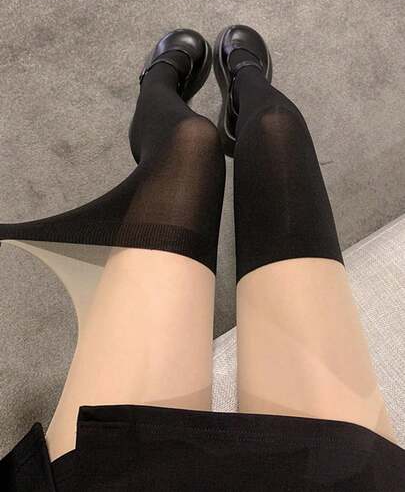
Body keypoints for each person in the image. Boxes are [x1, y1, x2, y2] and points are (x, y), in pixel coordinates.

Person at [1, 25, 404, 491]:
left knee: (191, 143)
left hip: (115, 475)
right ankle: (247, 81)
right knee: (276, 127)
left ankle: (158, 86)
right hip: (342, 474)